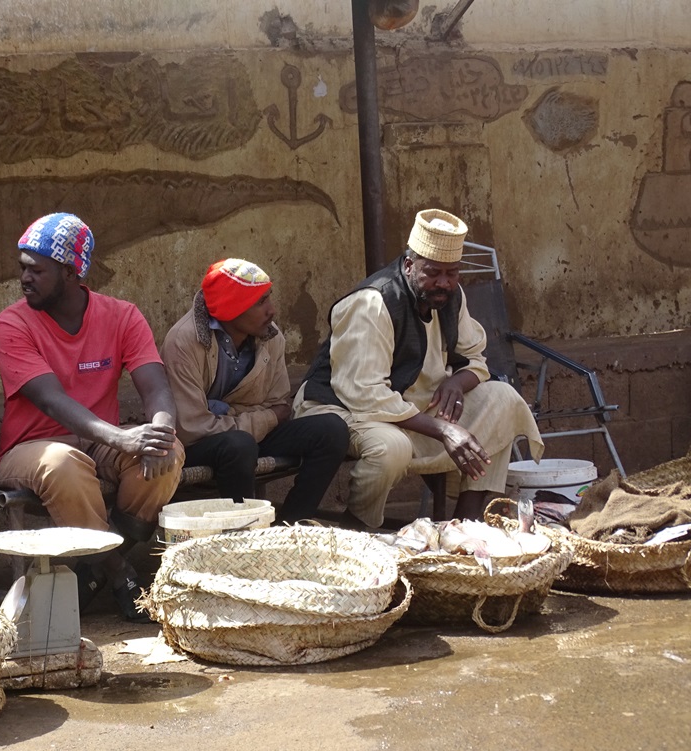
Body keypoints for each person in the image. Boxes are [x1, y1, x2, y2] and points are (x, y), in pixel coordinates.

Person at [0, 212, 183, 622]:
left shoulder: (122, 315)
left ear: (71, 272)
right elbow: (51, 401)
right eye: (22, 268)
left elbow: (156, 387)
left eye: (37, 270)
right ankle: (117, 570)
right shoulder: (11, 324)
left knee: (169, 453)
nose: (25, 278)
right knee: (65, 463)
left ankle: (94, 567)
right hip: (29, 450)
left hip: (98, 443)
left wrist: (161, 431)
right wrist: (123, 439)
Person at [295, 208, 543, 526]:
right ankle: (360, 529)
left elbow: (475, 359)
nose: (443, 283)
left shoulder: (451, 297)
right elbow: (366, 394)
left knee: (503, 400)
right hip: (341, 408)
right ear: (410, 264)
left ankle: (466, 526)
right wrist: (444, 429)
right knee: (392, 447)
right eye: (433, 273)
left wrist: (457, 382)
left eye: (451, 274)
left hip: (410, 409)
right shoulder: (374, 303)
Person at [161, 259, 349, 523]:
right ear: (230, 309)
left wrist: (232, 414)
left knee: (332, 430)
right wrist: (263, 417)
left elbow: (280, 404)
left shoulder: (271, 337)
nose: (272, 311)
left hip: (250, 436)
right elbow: (192, 427)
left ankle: (292, 526)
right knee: (239, 444)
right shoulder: (183, 342)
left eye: (268, 298)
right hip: (201, 446)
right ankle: (246, 535)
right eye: (260, 303)